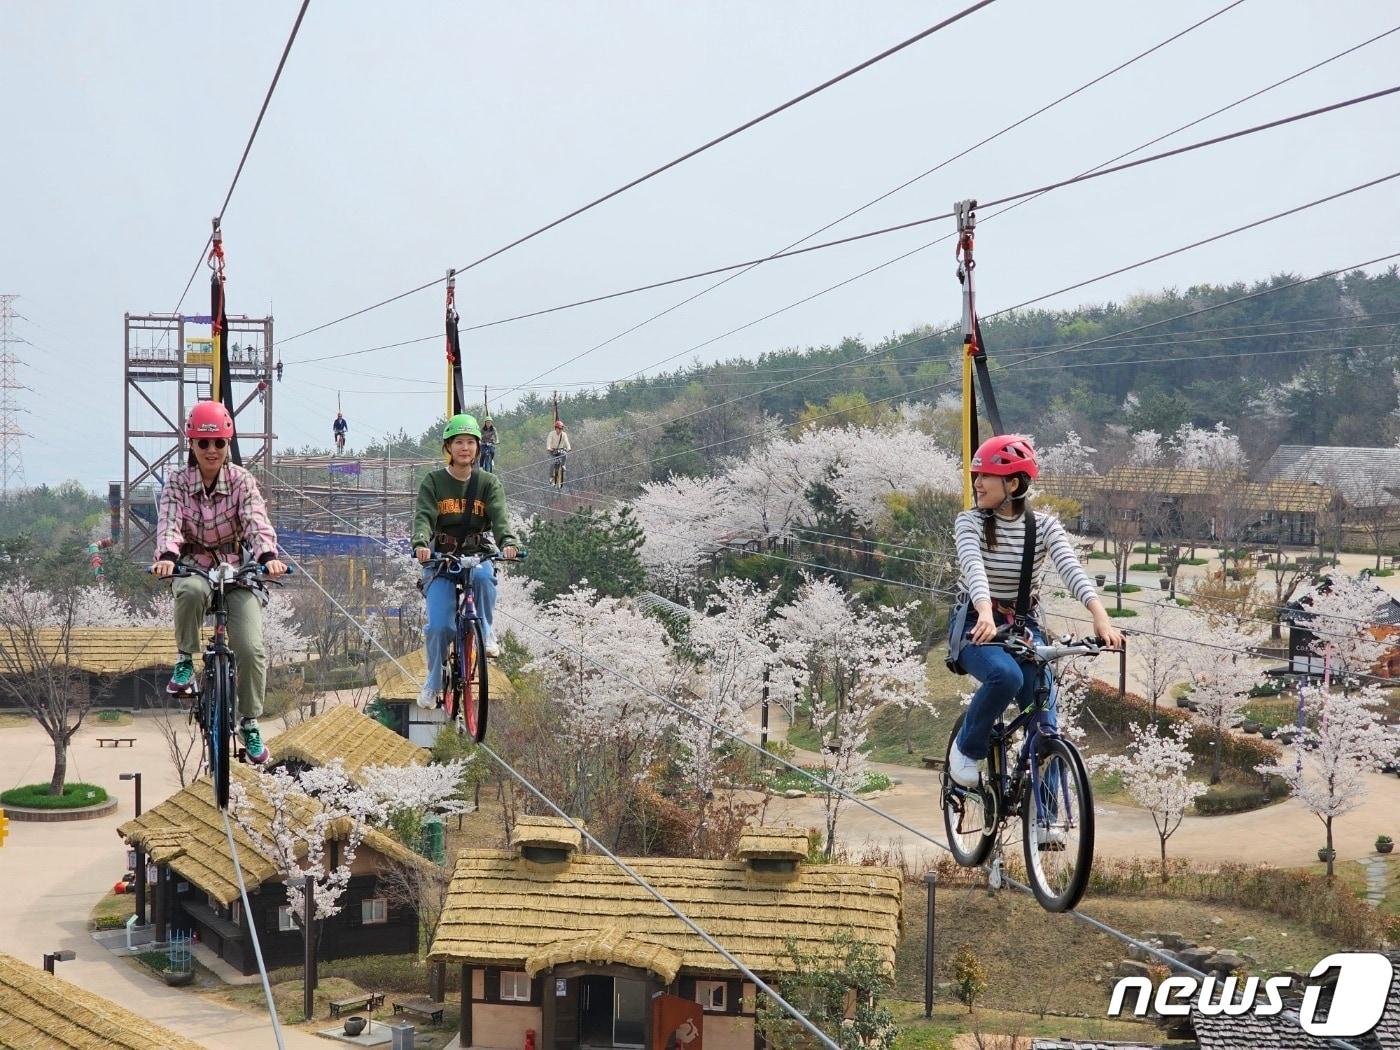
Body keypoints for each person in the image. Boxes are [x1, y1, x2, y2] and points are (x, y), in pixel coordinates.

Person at [946, 434, 1123, 801]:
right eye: (975, 475)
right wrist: (983, 611)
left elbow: (1071, 568)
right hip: (974, 623)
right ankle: (966, 748)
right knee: (1004, 675)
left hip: (1022, 624)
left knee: (1045, 716)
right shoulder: (969, 523)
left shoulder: (1044, 527)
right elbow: (974, 567)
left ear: (1012, 483)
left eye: (985, 477)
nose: (976, 484)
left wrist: (1100, 616)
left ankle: (1044, 818)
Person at [151, 401, 287, 764]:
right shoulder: (178, 483)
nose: (212, 451)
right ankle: (185, 659)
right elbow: (169, 523)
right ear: (191, 445)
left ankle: (250, 721)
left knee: (250, 647)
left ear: (228, 444)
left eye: (219, 444)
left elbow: (256, 520)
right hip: (194, 565)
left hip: (237, 569)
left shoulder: (242, 481)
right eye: (203, 443)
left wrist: (267, 556)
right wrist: (167, 556)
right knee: (192, 592)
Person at [412, 413, 519, 709]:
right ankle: (434, 679)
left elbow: (499, 516)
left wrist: (508, 542)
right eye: (459, 442)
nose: (465, 448)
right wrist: (421, 543)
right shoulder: (434, 482)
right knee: (438, 627)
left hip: (477, 552)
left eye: (471, 442)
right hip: (441, 559)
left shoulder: (488, 483)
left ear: (478, 448)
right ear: (448, 447)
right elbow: (423, 516)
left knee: (485, 578)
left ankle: (485, 630)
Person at [547, 419, 570, 484]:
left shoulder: (564, 434)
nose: (560, 430)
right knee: (552, 463)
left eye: (561, 429)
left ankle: (563, 465)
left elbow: (567, 442)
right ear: (556, 428)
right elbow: (548, 442)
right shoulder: (551, 434)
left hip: (560, 450)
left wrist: (568, 448)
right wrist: (548, 448)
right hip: (553, 451)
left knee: (564, 454)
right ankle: (551, 477)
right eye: (559, 428)